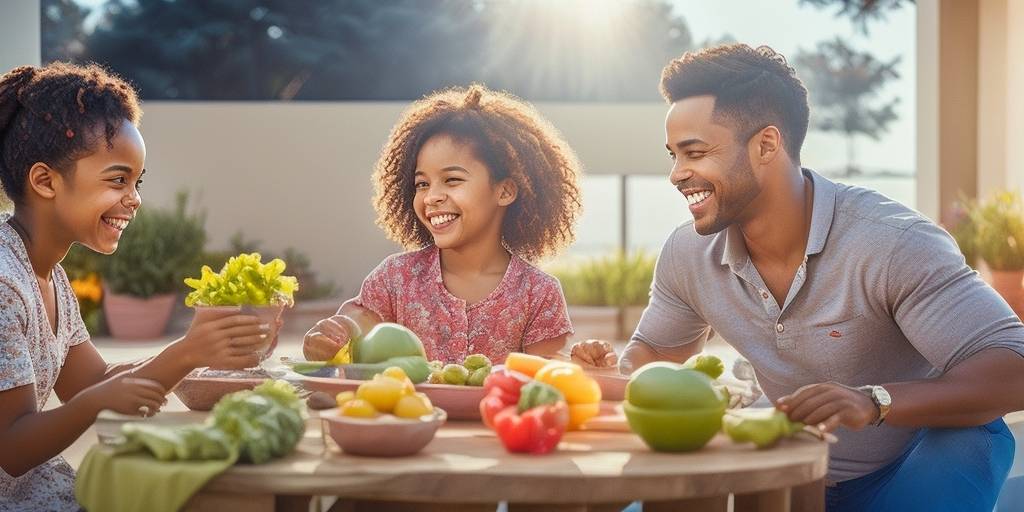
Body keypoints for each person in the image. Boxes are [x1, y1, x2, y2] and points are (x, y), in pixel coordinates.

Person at [574, 44, 1022, 511]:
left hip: (920, 456)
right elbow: (657, 357)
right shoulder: (689, 253)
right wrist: (609, 373)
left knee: (968, 438)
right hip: (804, 468)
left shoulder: (889, 242)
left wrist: (875, 401)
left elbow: (1013, 368)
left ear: (767, 144)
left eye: (695, 153)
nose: (676, 174)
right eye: (674, 156)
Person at [0, 62, 267, 511]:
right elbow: (12, 446)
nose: (135, 197)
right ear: (45, 181)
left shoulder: (47, 275)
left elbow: (97, 381)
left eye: (136, 182)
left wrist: (192, 351)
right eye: (117, 179)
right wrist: (93, 405)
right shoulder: (5, 284)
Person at [303, 84, 582, 364]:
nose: (431, 197)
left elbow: (551, 371)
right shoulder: (395, 277)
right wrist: (334, 335)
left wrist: (585, 362)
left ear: (505, 191)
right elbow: (357, 321)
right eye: (422, 184)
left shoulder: (539, 292)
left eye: (452, 180)